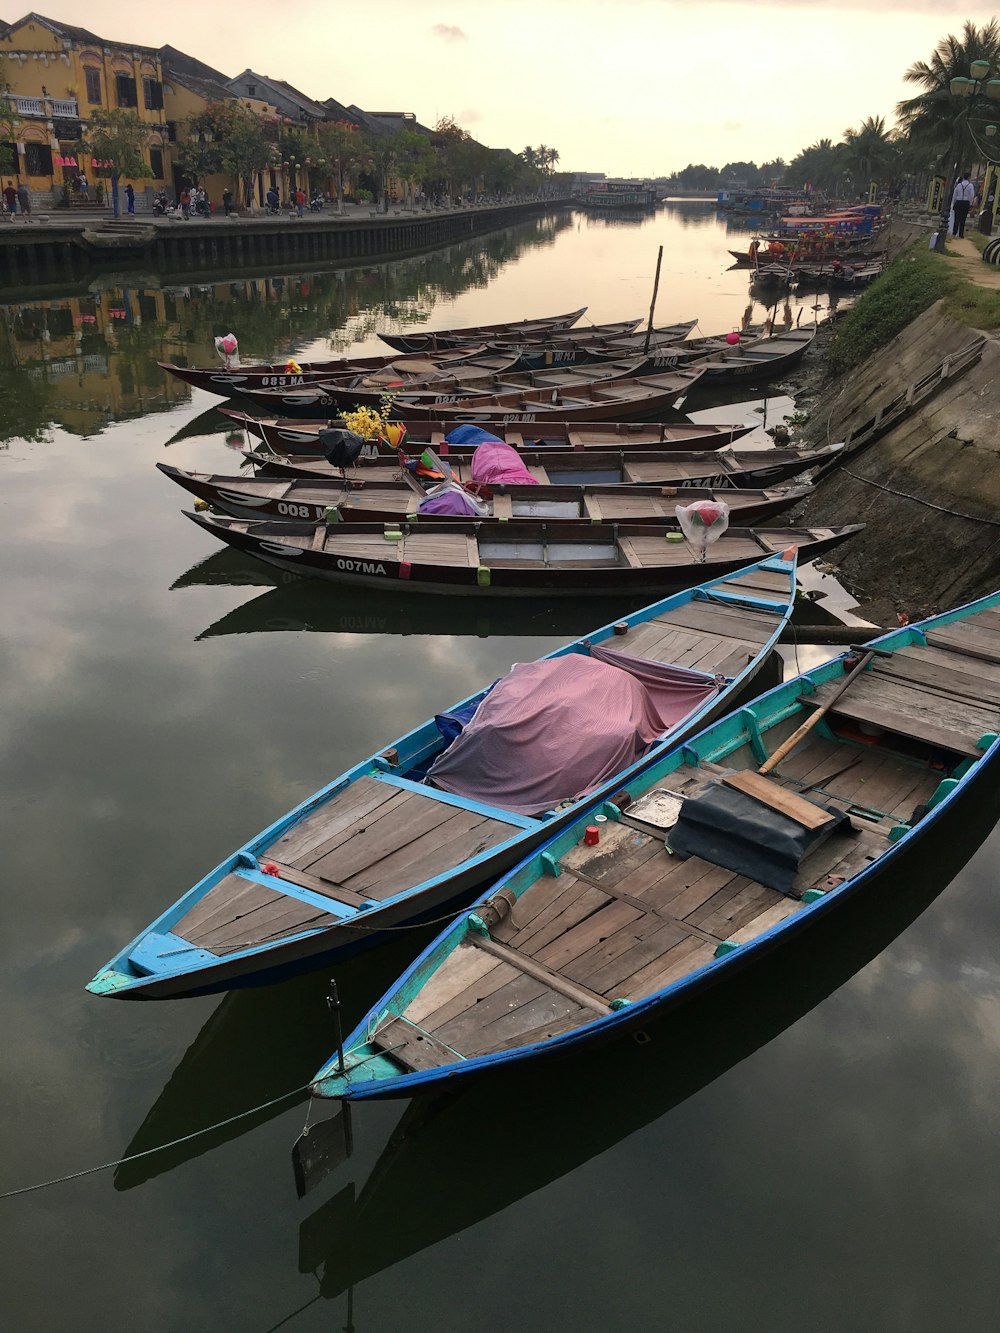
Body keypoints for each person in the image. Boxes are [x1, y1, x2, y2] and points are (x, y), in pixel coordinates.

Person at [952, 172, 975, 238]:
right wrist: (970, 203)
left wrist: (954, 203)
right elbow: (972, 195)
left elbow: (954, 195)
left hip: (958, 202)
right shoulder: (970, 185)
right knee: (963, 219)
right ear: (968, 177)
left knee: (956, 219)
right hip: (965, 203)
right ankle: (961, 234)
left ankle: (954, 233)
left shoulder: (959, 185)